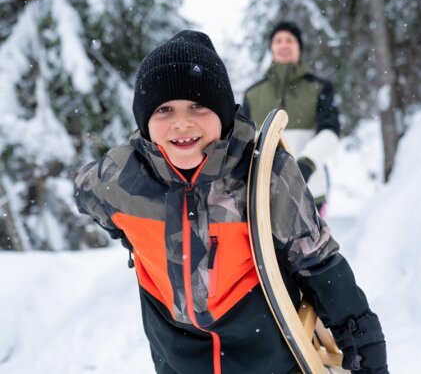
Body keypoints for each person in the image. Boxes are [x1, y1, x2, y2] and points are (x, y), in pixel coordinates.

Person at [74, 30, 387, 374]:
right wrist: (135, 239)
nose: (181, 122)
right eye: (164, 109)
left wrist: (364, 350)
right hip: (177, 364)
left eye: (198, 105)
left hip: (270, 362)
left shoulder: (265, 177)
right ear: (144, 120)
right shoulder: (120, 178)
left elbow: (322, 267)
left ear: (223, 114)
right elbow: (87, 195)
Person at [243, 22, 340, 216]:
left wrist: (305, 165)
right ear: (272, 47)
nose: (284, 45)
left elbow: (330, 133)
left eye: (290, 40)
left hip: (311, 190)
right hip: (265, 194)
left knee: (313, 246)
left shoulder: (319, 88)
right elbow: (244, 140)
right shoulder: (253, 94)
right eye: (278, 40)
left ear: (299, 47)